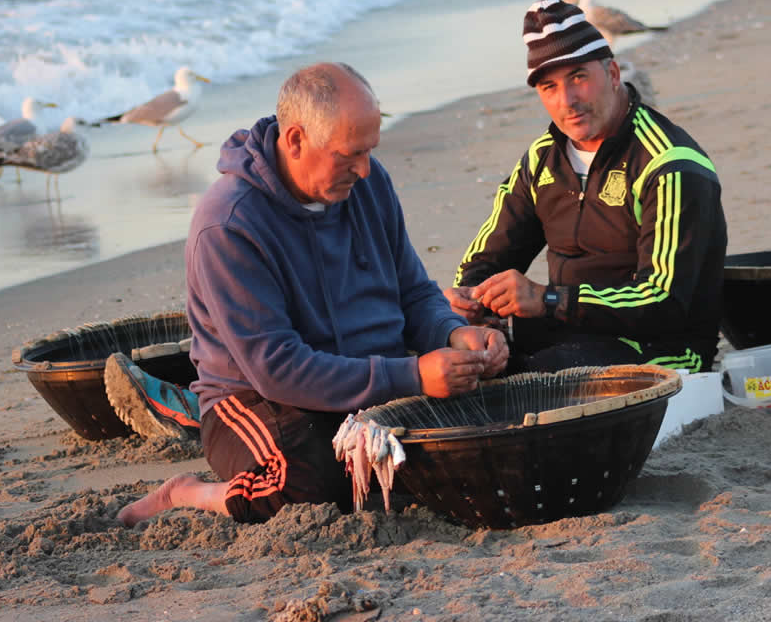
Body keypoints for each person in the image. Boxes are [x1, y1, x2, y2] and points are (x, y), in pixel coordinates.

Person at [115, 62, 507, 526]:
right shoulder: (229, 225)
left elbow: (415, 292)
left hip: (377, 377)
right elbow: (277, 370)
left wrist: (454, 335)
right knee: (314, 484)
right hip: (259, 400)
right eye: (349, 155)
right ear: (296, 139)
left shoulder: (368, 181)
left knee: (503, 413)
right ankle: (185, 494)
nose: (364, 170)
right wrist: (415, 376)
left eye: (369, 152)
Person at [443, 0, 727, 374]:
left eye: (579, 77)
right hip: (565, 338)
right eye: (549, 87)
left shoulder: (670, 164)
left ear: (611, 73)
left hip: (666, 353)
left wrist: (546, 299)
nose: (568, 101)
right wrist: (468, 304)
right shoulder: (541, 159)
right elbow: (485, 261)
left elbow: (663, 303)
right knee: (439, 357)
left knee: (544, 379)